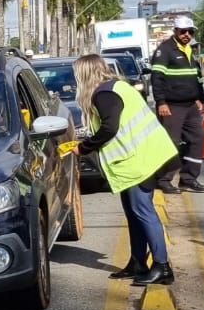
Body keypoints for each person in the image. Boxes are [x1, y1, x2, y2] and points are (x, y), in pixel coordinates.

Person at [72, 54, 180, 285]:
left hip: (138, 160)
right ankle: (138, 261)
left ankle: (162, 266)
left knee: (143, 212)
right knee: (134, 213)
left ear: (85, 74)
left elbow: (110, 128)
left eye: (77, 75)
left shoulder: (104, 94)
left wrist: (84, 147)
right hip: (139, 157)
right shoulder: (117, 87)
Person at [150, 15, 204, 193]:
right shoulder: (165, 50)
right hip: (172, 105)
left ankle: (188, 178)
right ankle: (164, 179)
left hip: (190, 105)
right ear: (175, 31)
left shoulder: (188, 50)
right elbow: (157, 78)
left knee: (197, 139)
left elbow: (196, 78)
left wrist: (201, 100)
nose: (187, 35)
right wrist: (161, 102)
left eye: (190, 32)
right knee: (171, 142)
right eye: (183, 31)